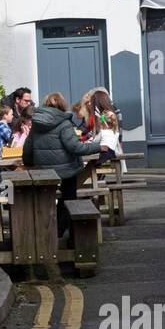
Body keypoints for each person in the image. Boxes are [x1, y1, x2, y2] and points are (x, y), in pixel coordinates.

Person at [22, 92, 110, 233]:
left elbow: (27, 149)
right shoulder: (64, 123)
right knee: (69, 198)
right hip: (66, 170)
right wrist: (97, 147)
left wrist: (29, 164)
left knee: (45, 198)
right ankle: (67, 233)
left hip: (42, 171)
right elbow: (74, 147)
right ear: (62, 105)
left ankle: (50, 230)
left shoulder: (36, 123)